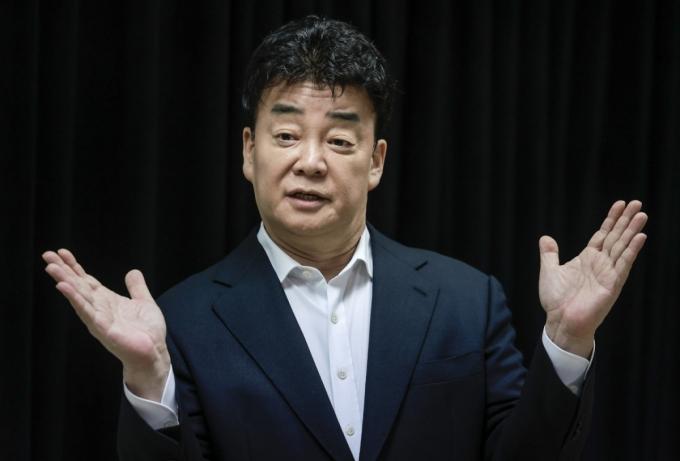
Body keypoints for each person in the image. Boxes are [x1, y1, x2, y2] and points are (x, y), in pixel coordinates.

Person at [42, 16, 648, 461]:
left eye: (338, 140)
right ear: (249, 152)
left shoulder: (466, 300)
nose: (310, 161)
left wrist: (568, 340)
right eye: (286, 136)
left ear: (376, 160)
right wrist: (150, 379)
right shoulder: (184, 321)